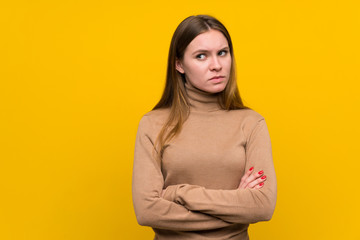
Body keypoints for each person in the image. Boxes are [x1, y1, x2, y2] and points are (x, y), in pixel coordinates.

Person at [132, 14, 277, 240]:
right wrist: (237, 206)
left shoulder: (251, 123)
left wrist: (178, 193)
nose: (217, 65)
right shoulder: (153, 124)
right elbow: (147, 211)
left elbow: (262, 206)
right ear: (179, 64)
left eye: (222, 53)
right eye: (201, 56)